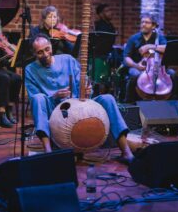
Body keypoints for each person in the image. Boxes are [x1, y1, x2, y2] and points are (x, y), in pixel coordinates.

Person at [25, 33, 134, 163]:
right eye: (40, 52)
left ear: (51, 46)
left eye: (47, 49)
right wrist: (54, 96)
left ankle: (126, 152)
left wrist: (87, 90)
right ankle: (48, 154)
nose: (45, 54)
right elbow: (34, 98)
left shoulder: (68, 60)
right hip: (54, 110)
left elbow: (83, 83)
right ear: (34, 54)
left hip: (79, 106)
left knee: (108, 98)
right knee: (38, 98)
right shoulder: (30, 70)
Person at [123, 13, 176, 103]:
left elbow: (167, 48)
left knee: (172, 73)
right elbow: (126, 57)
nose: (143, 24)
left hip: (158, 69)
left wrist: (150, 46)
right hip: (138, 67)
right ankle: (129, 102)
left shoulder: (159, 37)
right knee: (135, 74)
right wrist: (136, 65)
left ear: (153, 26)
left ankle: (171, 102)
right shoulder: (133, 38)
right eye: (142, 22)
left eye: (147, 22)